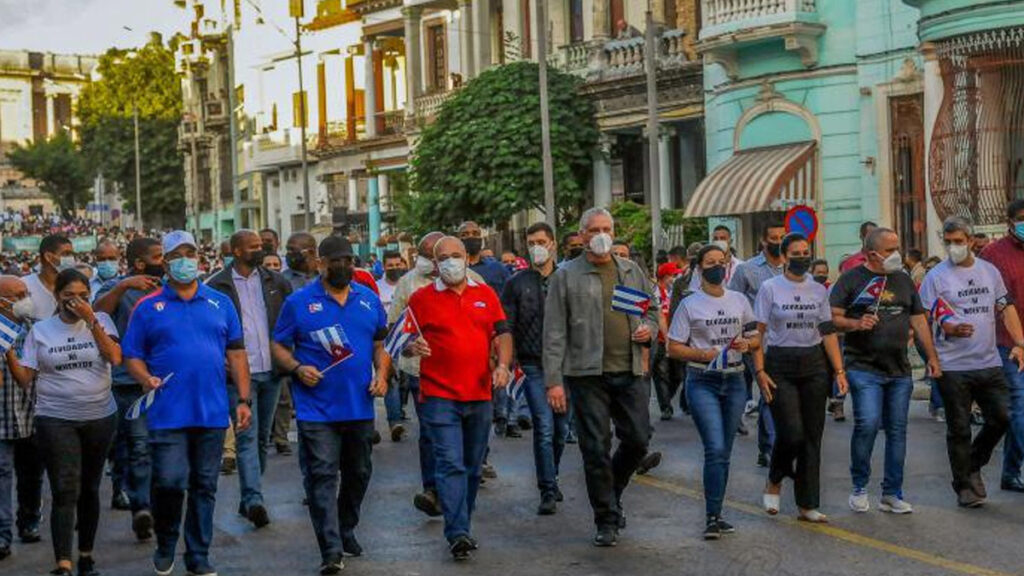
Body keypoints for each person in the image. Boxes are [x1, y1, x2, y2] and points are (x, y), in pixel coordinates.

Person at [122, 230, 252, 576]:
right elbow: (131, 355)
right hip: (167, 412)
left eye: (190, 253)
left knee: (205, 485)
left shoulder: (220, 303)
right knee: (170, 481)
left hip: (211, 412)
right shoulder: (147, 306)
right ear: (165, 263)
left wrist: (243, 399)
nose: (185, 261)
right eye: (177, 255)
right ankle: (166, 543)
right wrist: (144, 377)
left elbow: (237, 353)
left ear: (198, 258)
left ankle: (198, 554)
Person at [272, 235, 390, 574]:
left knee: (359, 472)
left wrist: (382, 375)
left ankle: (345, 527)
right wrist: (297, 368)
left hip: (359, 406)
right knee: (322, 475)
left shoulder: (368, 299)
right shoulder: (299, 302)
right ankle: (331, 549)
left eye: (348, 260)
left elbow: (380, 346)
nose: (342, 266)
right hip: (316, 410)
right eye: (335, 261)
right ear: (320, 263)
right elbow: (278, 345)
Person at [544, 207, 659, 547]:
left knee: (637, 440)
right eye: (594, 230)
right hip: (587, 374)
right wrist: (554, 381)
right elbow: (554, 331)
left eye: (606, 228)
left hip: (630, 369)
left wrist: (648, 330)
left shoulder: (630, 270)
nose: (601, 235)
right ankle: (606, 518)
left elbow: (651, 310)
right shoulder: (566, 275)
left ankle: (614, 489)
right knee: (595, 447)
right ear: (581, 236)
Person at [405, 236, 512, 560]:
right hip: (438, 395)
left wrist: (503, 365)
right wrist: (412, 346)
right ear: (435, 264)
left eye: (456, 255)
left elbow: (503, 333)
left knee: (472, 467)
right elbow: (403, 340)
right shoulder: (421, 298)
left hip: (479, 393)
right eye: (444, 257)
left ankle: (462, 521)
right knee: (450, 462)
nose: (451, 262)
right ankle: (457, 532)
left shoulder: (485, 294)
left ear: (467, 258)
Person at [8, 268, 121, 576]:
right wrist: (8, 354)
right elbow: (25, 379)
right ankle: (63, 563)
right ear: (56, 296)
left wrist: (91, 320)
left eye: (83, 296)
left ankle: (86, 555)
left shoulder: (101, 321)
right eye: (69, 296)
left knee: (89, 487)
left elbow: (114, 357)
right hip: (55, 418)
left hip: (99, 416)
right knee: (64, 487)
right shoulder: (41, 330)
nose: (76, 302)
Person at [829, 227, 941, 514]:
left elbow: (919, 321)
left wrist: (932, 357)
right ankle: (859, 487)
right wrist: (856, 324)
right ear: (872, 254)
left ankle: (892, 493)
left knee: (897, 430)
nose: (896, 255)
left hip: (899, 370)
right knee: (867, 424)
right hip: (863, 367)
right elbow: (832, 317)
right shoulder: (851, 279)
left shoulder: (903, 280)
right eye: (890, 250)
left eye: (897, 248)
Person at [922, 217, 1023, 507]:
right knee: (959, 428)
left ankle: (973, 464)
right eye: (948, 242)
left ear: (970, 240)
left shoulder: (989, 271)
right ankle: (964, 487)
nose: (953, 247)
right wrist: (934, 353)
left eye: (958, 241)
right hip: (952, 366)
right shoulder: (935, 277)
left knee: (1002, 417)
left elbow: (1005, 307)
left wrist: (1020, 343)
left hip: (988, 362)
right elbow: (923, 320)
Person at [753, 234, 848, 523]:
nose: (802, 258)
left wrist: (839, 371)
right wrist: (759, 371)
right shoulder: (770, 288)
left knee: (812, 437)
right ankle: (774, 479)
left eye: (806, 252)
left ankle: (808, 504)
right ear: (784, 257)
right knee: (791, 432)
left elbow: (828, 331)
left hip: (814, 364)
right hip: (780, 364)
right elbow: (757, 333)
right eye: (796, 253)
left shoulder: (818, 290)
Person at [390, 232, 485, 517]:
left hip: (469, 377)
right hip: (423, 374)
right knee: (432, 432)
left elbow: (493, 326)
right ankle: (433, 489)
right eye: (428, 255)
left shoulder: (475, 282)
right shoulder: (409, 284)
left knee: (464, 439)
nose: (439, 262)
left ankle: (460, 491)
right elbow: (395, 328)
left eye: (449, 256)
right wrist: (410, 344)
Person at [668, 244, 758, 539]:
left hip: (735, 380)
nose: (717, 267)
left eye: (722, 262)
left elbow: (755, 337)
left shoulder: (739, 300)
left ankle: (717, 514)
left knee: (725, 450)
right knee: (715, 447)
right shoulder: (689, 304)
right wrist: (704, 354)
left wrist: (748, 344)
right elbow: (673, 347)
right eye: (711, 262)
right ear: (700, 268)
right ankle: (711, 517)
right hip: (702, 380)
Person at [206, 230, 293, 528]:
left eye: (261, 245)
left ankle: (248, 498)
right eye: (254, 246)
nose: (261, 249)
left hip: (272, 369)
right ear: (237, 251)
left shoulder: (276, 282)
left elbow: (288, 321)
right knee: (246, 436)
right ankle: (255, 498)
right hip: (239, 374)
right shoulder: (216, 286)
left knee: (261, 438)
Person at [93, 237, 164, 539]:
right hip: (130, 384)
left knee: (164, 447)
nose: (165, 262)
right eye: (159, 257)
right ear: (139, 263)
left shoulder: (170, 288)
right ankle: (142, 508)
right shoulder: (118, 288)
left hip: (167, 382)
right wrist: (123, 287)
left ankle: (162, 503)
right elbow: (96, 313)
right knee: (138, 447)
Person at [500, 222, 569, 515]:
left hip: (566, 365)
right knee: (544, 426)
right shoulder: (516, 283)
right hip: (532, 364)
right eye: (531, 243)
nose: (537, 248)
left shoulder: (567, 279)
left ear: (553, 244)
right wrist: (508, 361)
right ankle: (547, 489)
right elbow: (506, 325)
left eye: (541, 242)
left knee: (562, 429)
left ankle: (553, 474)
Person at [729, 221, 787, 467]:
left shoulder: (792, 267)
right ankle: (772, 448)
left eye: (782, 237)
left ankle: (765, 447)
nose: (778, 242)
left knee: (772, 394)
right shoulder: (746, 270)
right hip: (757, 341)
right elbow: (733, 302)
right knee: (768, 389)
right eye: (773, 238)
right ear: (763, 241)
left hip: (786, 341)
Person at [981, 200, 1024, 492]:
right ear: (1009, 221)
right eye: (1021, 218)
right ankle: (1012, 471)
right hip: (1008, 344)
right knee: (1020, 407)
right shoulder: (992, 254)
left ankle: (1010, 472)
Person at [0, 275, 42, 561]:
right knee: (2, 475)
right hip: (2, 416)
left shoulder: (37, 330)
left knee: (32, 474)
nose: (25, 300)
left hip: (32, 414)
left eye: (25, 293)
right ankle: (2, 535)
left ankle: (29, 521)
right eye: (17, 296)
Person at [379, 250, 407, 441]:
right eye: (390, 266)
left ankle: (401, 408)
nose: (395, 268)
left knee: (406, 381)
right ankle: (395, 422)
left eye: (398, 265)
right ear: (384, 267)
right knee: (392, 379)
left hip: (409, 339)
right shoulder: (377, 287)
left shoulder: (408, 285)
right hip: (387, 340)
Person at [653, 262, 683, 420]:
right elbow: (659, 317)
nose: (675, 278)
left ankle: (668, 399)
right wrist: (666, 340)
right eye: (673, 275)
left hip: (676, 339)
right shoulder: (655, 292)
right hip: (659, 340)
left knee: (678, 375)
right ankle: (665, 407)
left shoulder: (673, 292)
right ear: (665, 277)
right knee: (662, 374)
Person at [25, 234, 74, 321]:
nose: (71, 259)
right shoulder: (25, 285)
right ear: (48, 257)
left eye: (71, 254)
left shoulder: (75, 285)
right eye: (66, 254)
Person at [458, 221, 510, 296]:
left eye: (475, 234)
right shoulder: (454, 270)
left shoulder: (497, 268)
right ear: (458, 239)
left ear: (481, 239)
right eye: (465, 234)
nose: (471, 237)